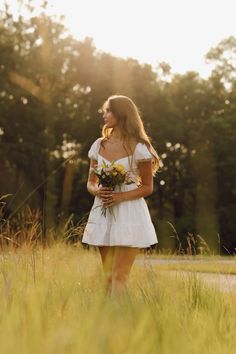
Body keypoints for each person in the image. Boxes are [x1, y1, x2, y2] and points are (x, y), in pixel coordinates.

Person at [82, 95, 161, 299]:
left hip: (129, 213)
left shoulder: (139, 147)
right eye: (105, 110)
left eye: (108, 110)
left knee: (120, 276)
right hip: (103, 212)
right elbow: (90, 182)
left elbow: (147, 187)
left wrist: (120, 197)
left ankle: (125, 322)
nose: (104, 114)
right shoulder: (99, 145)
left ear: (121, 113)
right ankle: (109, 324)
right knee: (108, 276)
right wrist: (96, 190)